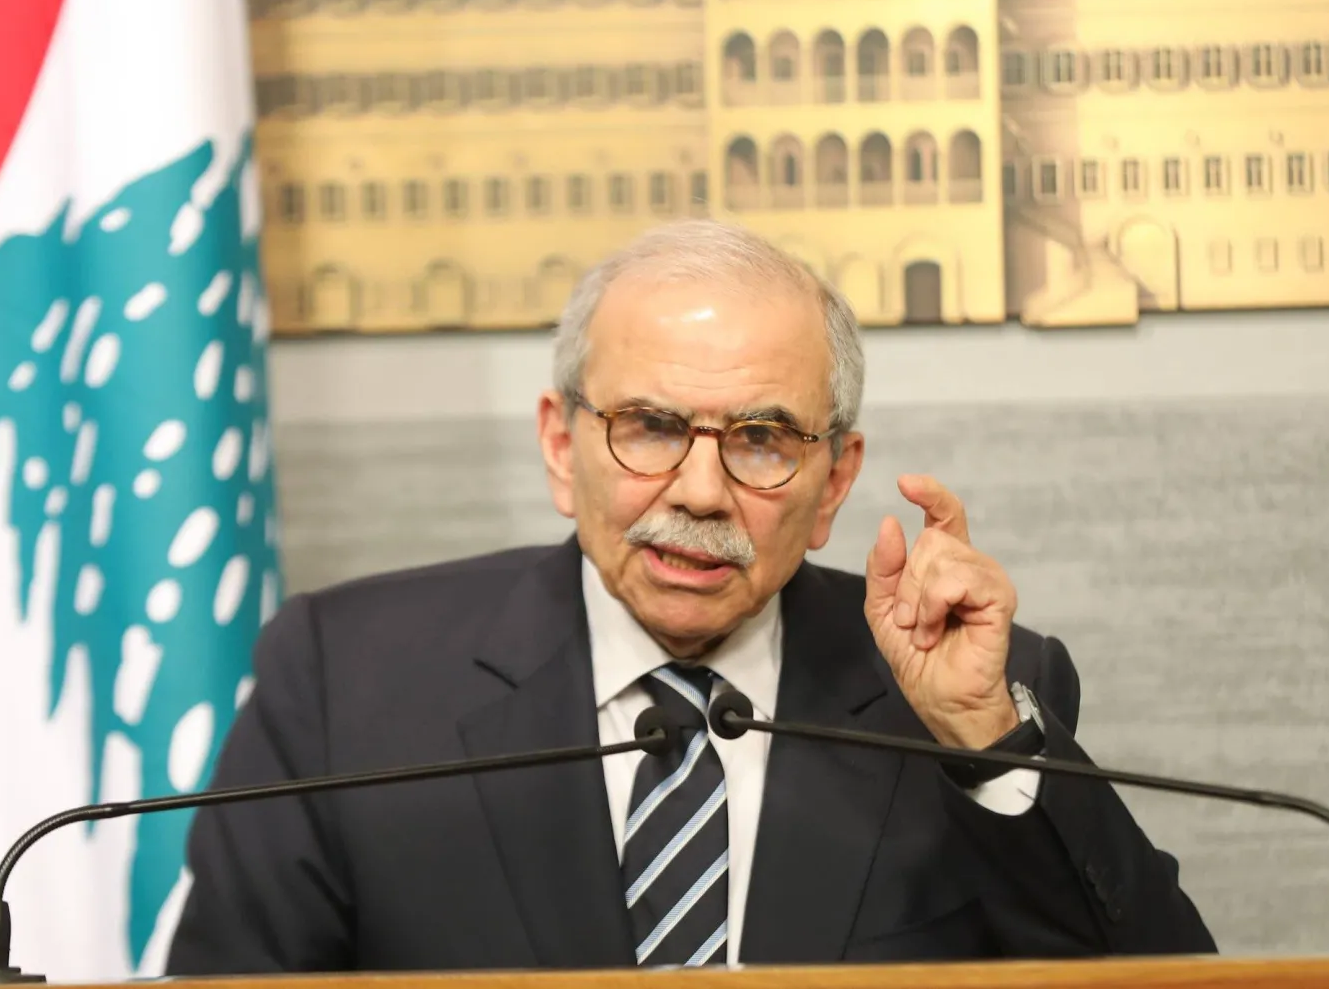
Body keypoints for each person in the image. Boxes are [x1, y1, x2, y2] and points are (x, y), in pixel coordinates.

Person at [165, 219, 1215, 973]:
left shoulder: (978, 688)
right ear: (558, 442)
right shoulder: (348, 681)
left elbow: (1159, 975)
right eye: (653, 427)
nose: (702, 492)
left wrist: (983, 740)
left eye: (761, 439)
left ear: (835, 481)